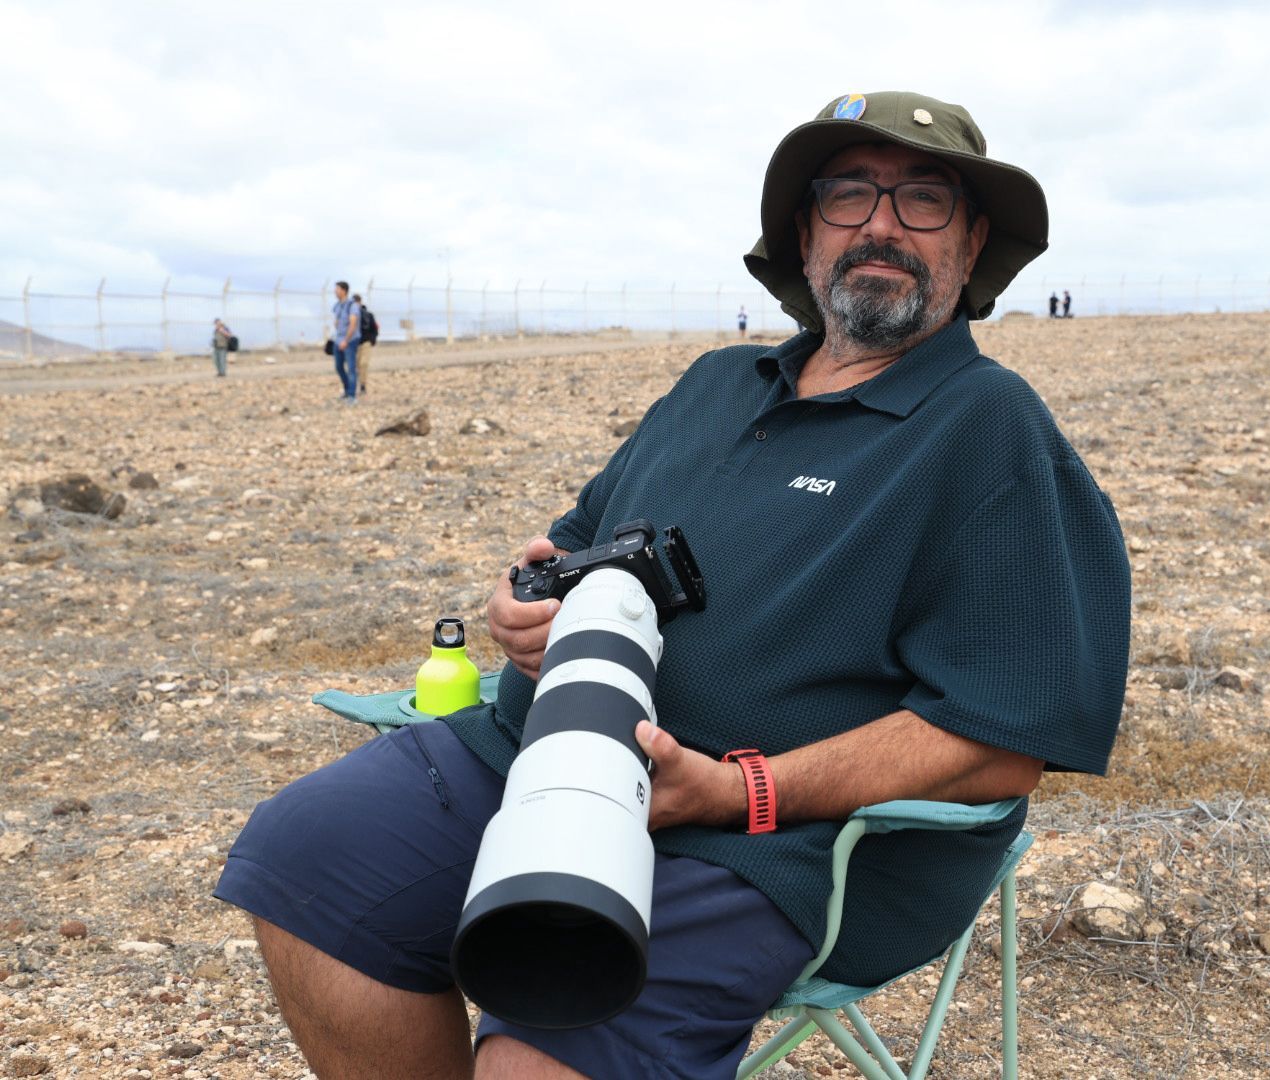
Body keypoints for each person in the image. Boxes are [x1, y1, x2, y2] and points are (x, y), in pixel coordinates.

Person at [214, 90, 1131, 1079]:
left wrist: (741, 791)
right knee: (304, 864)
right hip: (546, 747)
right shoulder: (717, 384)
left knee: (542, 1045)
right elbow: (568, 543)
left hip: (781, 844)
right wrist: (524, 610)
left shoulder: (985, 427)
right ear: (804, 231)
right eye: (848, 194)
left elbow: (999, 746)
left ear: (972, 238)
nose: (878, 222)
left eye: (923, 199)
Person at [331, 281, 361, 402]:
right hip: (338, 340)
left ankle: (352, 395)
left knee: (351, 368)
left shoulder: (352, 305)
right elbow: (337, 321)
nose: (335, 291)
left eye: (337, 289)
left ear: (344, 290)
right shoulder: (337, 305)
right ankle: (347, 390)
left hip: (350, 340)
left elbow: (353, 324)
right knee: (338, 367)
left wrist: (346, 340)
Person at [353, 293, 378, 395]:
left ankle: (363, 385)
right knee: (356, 365)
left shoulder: (368, 315)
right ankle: (357, 385)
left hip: (366, 343)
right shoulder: (351, 316)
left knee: (364, 363)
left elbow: (374, 328)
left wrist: (372, 340)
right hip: (354, 344)